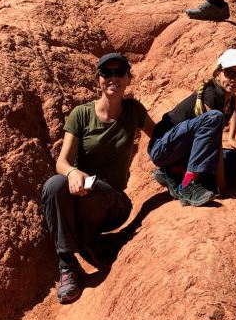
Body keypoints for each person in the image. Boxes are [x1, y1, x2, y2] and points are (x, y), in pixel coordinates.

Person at [41, 52, 154, 304]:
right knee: (53, 185)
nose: (113, 78)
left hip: (114, 204)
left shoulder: (134, 110)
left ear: (128, 78)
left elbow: (161, 138)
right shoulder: (81, 115)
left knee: (95, 188)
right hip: (82, 195)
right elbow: (62, 162)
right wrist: (72, 172)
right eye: (107, 73)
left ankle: (90, 241)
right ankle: (68, 265)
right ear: (98, 79)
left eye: (119, 72)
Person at [148, 48, 236, 206]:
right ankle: (187, 185)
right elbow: (214, 143)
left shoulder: (231, 99)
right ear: (218, 72)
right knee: (215, 119)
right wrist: (222, 188)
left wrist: (232, 137)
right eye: (230, 73)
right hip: (163, 148)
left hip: (182, 150)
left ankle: (173, 173)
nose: (235, 80)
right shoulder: (211, 95)